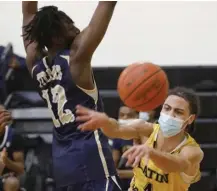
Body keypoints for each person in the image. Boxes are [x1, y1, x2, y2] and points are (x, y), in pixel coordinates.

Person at [21, 1, 121, 191]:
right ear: (57, 37)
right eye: (69, 25)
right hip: (92, 161)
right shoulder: (76, 58)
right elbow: (107, 4)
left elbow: (28, 14)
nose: (76, 29)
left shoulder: (34, 63)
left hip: (62, 164)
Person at [76, 87, 204, 191]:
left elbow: (175, 165)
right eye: (167, 108)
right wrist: (104, 122)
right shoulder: (146, 130)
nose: (170, 114)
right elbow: (116, 129)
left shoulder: (192, 151)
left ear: (190, 119)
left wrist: (151, 152)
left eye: (178, 111)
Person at [112, 106, 138, 190]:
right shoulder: (117, 137)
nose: (125, 118)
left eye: (129, 115)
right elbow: (113, 165)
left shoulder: (145, 137)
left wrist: (121, 173)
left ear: (137, 117)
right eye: (122, 115)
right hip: (123, 182)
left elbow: (147, 171)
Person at [0, 105, 25, 191]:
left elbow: (21, 168)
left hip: (6, 178)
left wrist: (6, 161)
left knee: (12, 182)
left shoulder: (13, 136)